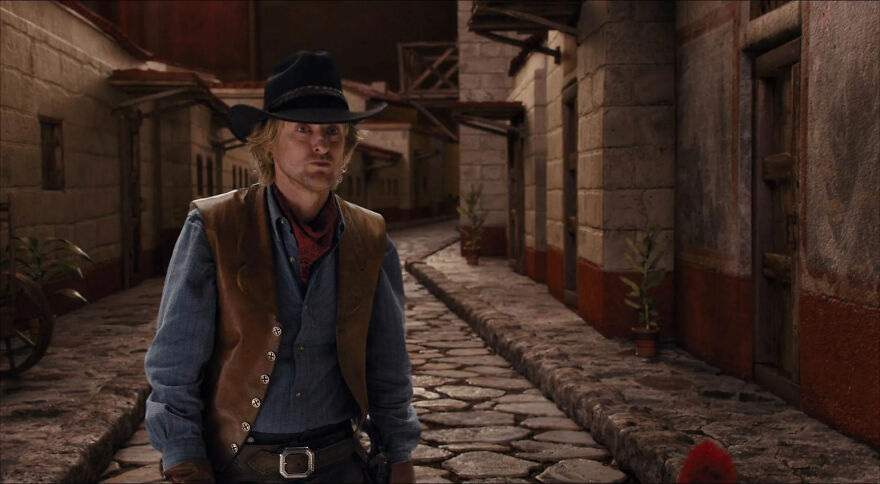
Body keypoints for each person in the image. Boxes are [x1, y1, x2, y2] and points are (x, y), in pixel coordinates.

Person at [144, 51, 420, 483]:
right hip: (241, 468)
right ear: (268, 140)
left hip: (339, 465)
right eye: (302, 129)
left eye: (333, 130)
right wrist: (183, 460)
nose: (321, 143)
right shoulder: (214, 226)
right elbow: (174, 367)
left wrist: (399, 452)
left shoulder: (370, 236)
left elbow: (387, 363)